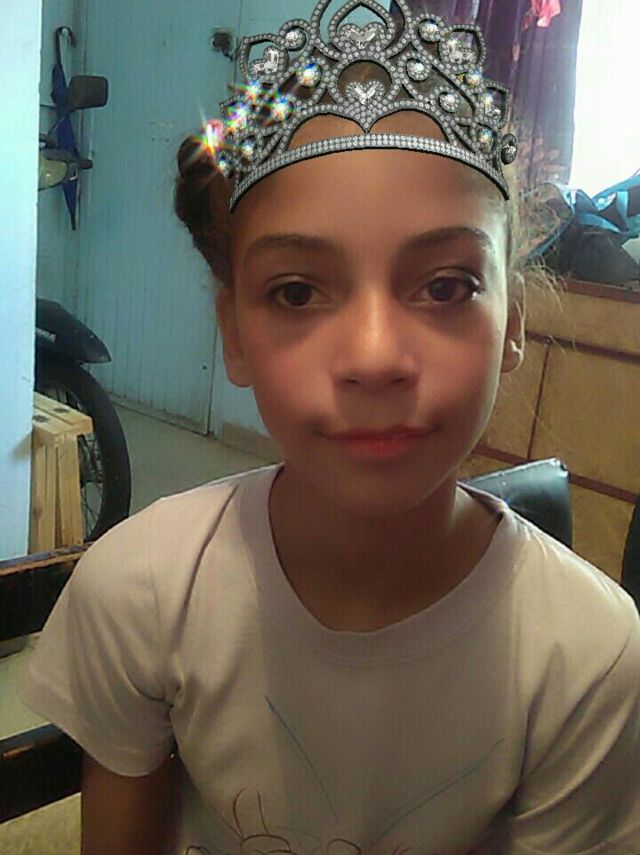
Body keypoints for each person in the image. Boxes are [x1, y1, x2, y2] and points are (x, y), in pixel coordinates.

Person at [18, 1, 640, 853]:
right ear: (235, 333)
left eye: (446, 285)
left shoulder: (591, 659)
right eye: (298, 291)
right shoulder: (142, 595)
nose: (375, 357)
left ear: (514, 324)